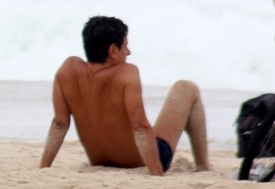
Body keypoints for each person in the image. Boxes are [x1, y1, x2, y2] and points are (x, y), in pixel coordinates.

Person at [40, 16, 210, 175]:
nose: (128, 52)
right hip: (142, 162)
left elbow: (59, 124)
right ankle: (203, 166)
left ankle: (202, 166)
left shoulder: (67, 70)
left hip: (99, 162)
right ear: (113, 50)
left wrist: (44, 168)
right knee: (186, 88)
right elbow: (140, 128)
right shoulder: (127, 74)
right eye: (125, 45)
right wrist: (157, 175)